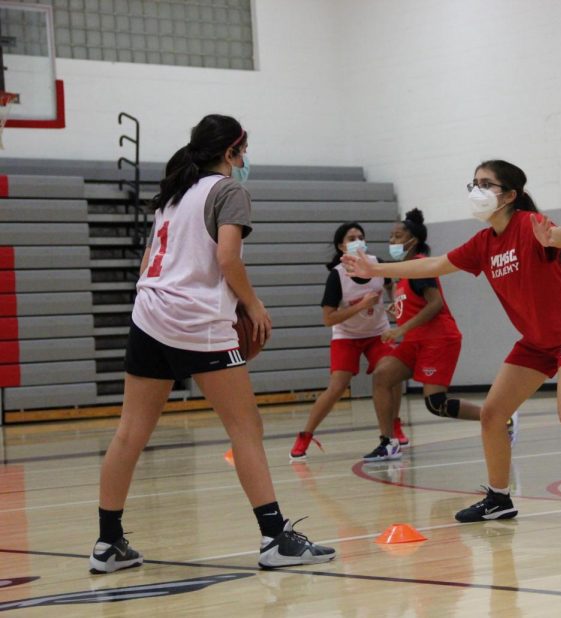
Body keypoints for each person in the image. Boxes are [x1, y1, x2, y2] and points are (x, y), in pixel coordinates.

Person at [343, 160, 561, 531]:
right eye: (473, 183)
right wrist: (376, 270)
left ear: (510, 195)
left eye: (486, 183)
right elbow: (437, 265)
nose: (476, 190)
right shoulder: (483, 243)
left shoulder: (528, 225)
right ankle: (498, 498)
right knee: (493, 413)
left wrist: (553, 238)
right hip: (536, 342)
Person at [90, 114, 335, 573]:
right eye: (244, 151)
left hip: (148, 315)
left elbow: (148, 264)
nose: (246, 160)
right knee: (246, 429)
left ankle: (107, 544)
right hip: (197, 321)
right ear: (231, 152)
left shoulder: (174, 194)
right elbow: (227, 257)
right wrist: (253, 305)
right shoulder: (229, 191)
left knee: (130, 432)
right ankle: (274, 537)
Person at [363, 208, 520, 462]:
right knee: (382, 376)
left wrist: (401, 328)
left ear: (413, 239)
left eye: (398, 236)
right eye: (390, 237)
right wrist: (396, 308)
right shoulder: (403, 270)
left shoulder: (421, 266)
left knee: (436, 403)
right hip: (415, 340)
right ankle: (388, 442)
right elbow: (412, 304)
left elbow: (434, 304)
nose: (392, 241)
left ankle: (503, 419)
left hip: (438, 339)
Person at [290, 222, 403, 460]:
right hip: (347, 335)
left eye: (360, 236)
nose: (357, 240)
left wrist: (393, 305)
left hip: (377, 333)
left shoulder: (377, 264)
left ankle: (393, 426)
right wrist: (362, 305)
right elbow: (328, 319)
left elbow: (393, 286)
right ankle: (305, 435)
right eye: (351, 238)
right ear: (342, 246)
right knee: (337, 387)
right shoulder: (337, 276)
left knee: (392, 373)